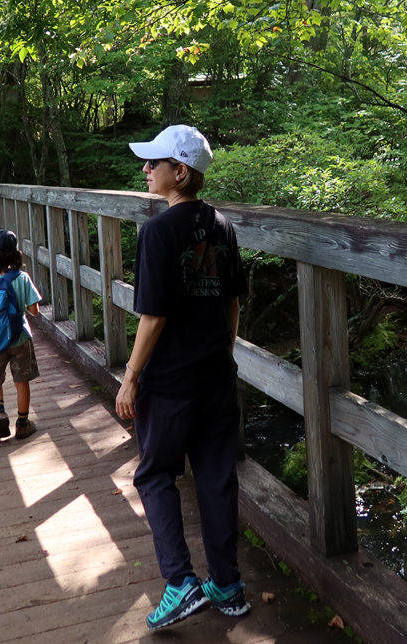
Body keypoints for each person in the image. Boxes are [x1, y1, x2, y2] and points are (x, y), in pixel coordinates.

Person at [115, 125, 250, 630]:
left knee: (154, 474)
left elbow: (153, 317)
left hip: (171, 381)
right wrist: (224, 355)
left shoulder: (157, 231)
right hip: (217, 375)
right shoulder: (223, 225)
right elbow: (233, 301)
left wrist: (130, 378)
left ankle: (180, 582)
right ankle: (228, 585)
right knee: (216, 479)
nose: (146, 170)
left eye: (155, 163)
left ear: (182, 171)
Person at [0, 228, 43, 441]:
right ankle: (23, 423)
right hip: (19, 338)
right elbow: (34, 310)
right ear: (16, 254)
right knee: (21, 381)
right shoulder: (22, 277)